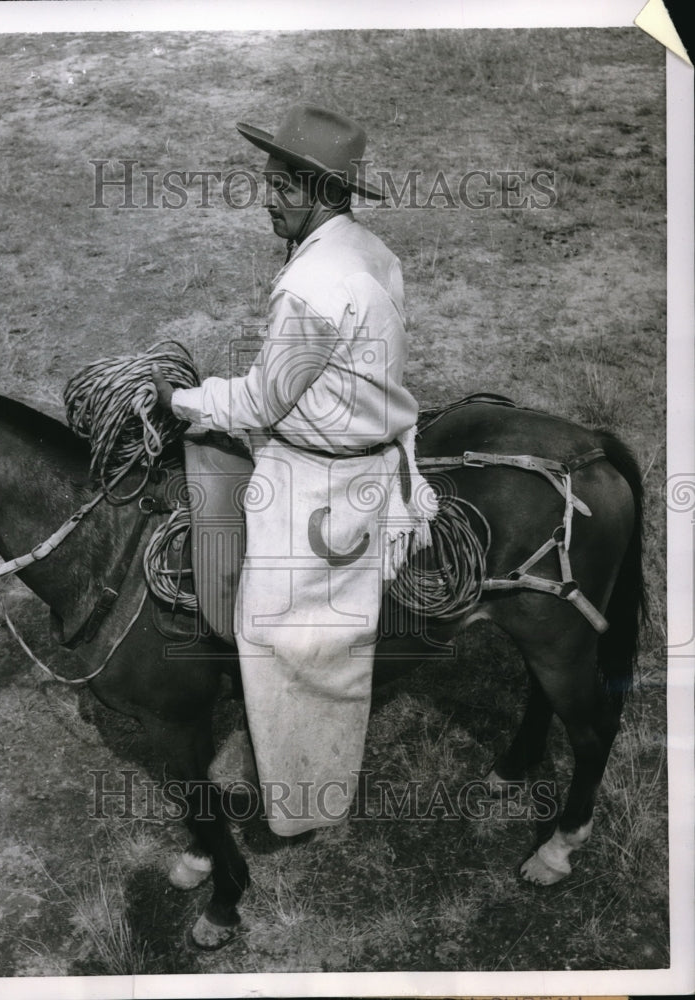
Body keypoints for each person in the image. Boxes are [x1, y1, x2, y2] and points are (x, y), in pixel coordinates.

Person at [153, 104, 430, 836]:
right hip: (366, 437)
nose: (268, 199)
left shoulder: (310, 286)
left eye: (283, 187)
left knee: (270, 627)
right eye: (268, 182)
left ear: (324, 192)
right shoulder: (367, 250)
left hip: (323, 478)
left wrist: (180, 400)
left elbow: (262, 398)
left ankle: (306, 797)